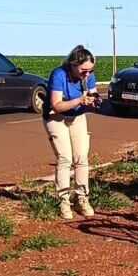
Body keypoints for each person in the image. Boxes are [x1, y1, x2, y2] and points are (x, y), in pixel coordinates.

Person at [42, 45, 99, 220]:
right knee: (65, 158)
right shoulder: (59, 74)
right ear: (73, 65)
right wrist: (80, 100)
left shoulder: (88, 76)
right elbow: (57, 105)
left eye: (90, 71)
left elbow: (94, 95)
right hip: (56, 117)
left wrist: (95, 101)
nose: (87, 75)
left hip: (78, 117)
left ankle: (82, 198)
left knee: (81, 158)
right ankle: (64, 200)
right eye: (83, 71)